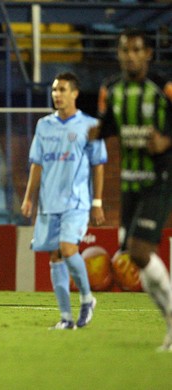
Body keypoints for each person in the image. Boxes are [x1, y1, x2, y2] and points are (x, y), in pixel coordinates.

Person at [90, 29, 172, 349]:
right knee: (130, 252)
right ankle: (168, 318)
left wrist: (166, 140)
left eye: (137, 50)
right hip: (130, 181)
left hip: (159, 178)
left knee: (139, 251)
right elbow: (106, 125)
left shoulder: (163, 87)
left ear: (148, 53)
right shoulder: (111, 89)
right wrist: (88, 132)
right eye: (125, 50)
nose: (130, 56)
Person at [22, 72, 107, 330]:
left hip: (77, 202)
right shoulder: (43, 125)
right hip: (49, 203)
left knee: (68, 249)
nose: (57, 94)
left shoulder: (90, 125)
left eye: (62, 90)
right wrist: (29, 198)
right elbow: (37, 164)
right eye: (55, 90)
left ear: (75, 93)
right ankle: (67, 318)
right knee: (56, 257)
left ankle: (87, 297)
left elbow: (98, 165)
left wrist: (97, 201)